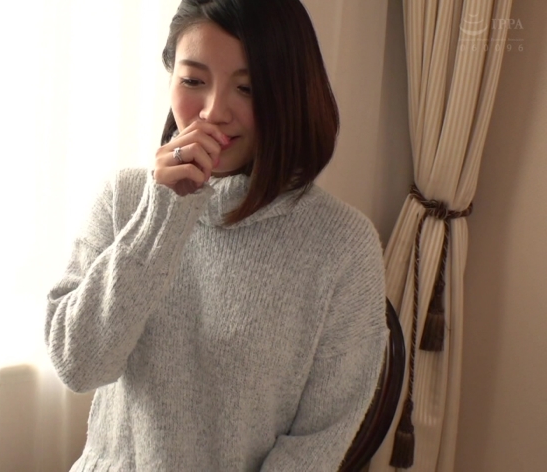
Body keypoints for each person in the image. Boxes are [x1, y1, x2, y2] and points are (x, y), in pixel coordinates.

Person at [44, 0, 387, 470]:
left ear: (290, 94)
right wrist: (161, 216)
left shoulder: (343, 245)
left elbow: (316, 444)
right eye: (193, 81)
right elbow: (78, 365)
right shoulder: (124, 200)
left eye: (247, 88)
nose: (213, 111)